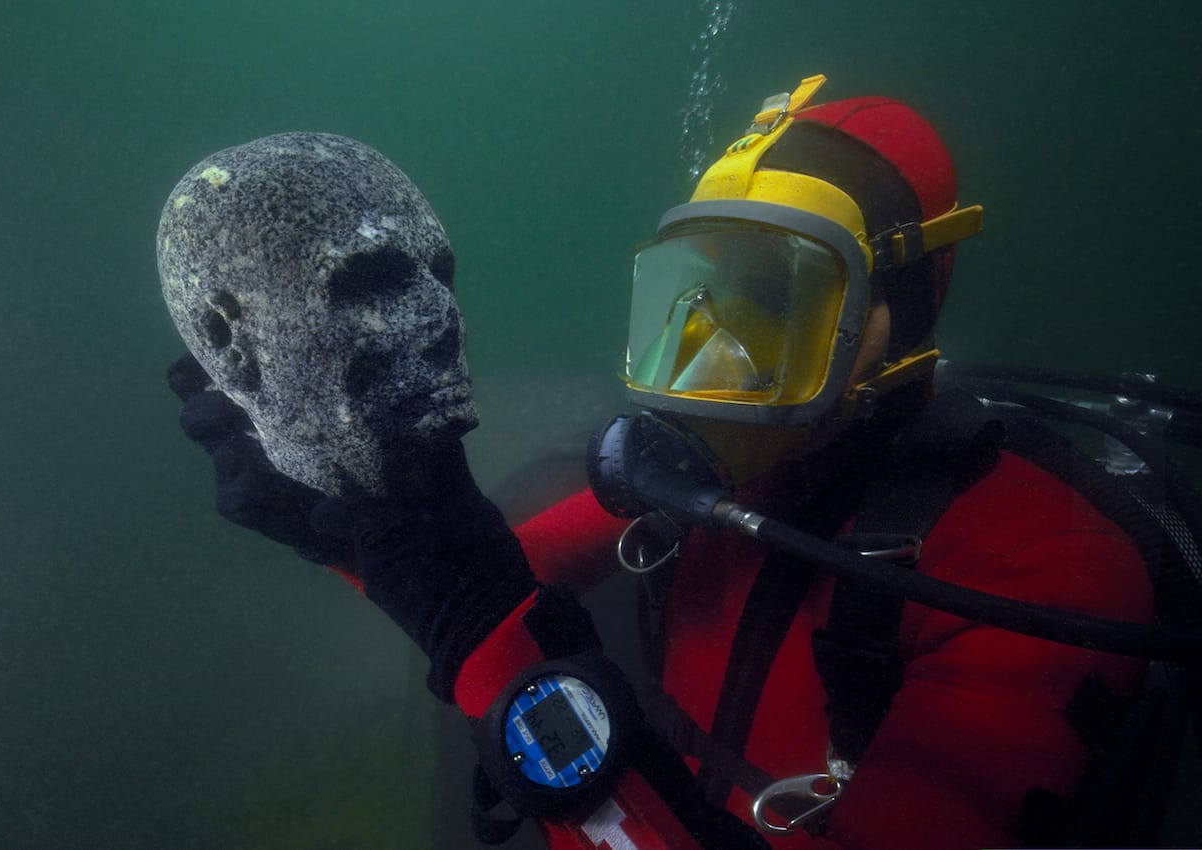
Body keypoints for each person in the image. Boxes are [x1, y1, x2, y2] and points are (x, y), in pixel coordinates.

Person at [164, 75, 1158, 849]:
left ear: (898, 308)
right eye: (702, 296)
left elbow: (476, 615)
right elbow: (469, 584)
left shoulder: (1043, 566)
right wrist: (342, 513)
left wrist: (491, 645)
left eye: (777, 298)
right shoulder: (715, 477)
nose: (712, 352)